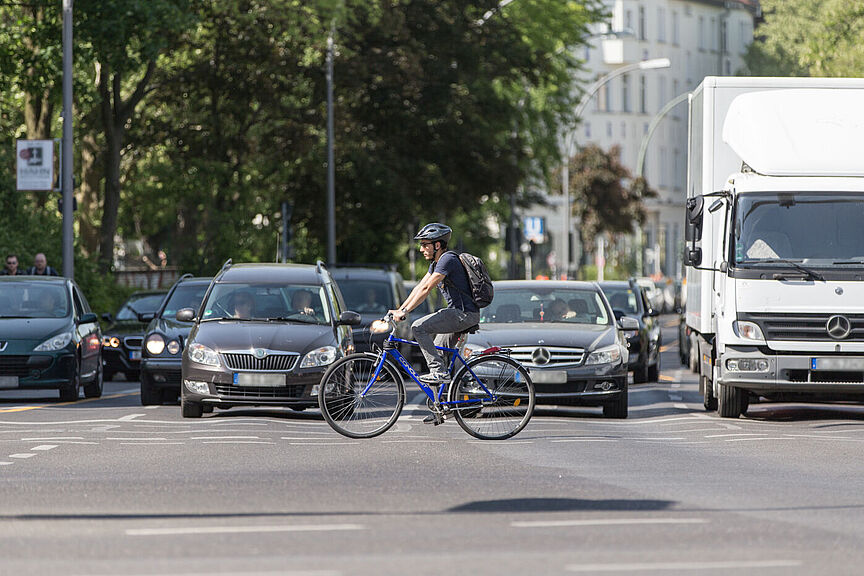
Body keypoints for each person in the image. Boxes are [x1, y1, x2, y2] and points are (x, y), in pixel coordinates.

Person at [389, 223, 480, 387]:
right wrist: (400, 309)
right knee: (437, 350)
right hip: (459, 314)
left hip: (463, 314)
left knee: (418, 327)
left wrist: (405, 312)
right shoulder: (436, 264)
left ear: (437, 245)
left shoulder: (448, 259)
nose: (421, 249)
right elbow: (418, 287)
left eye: (425, 245)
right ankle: (443, 401)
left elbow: (426, 289)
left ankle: (439, 372)